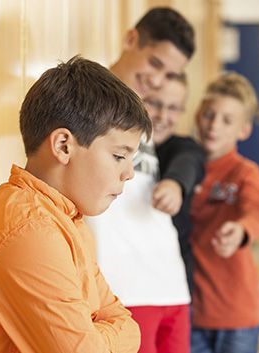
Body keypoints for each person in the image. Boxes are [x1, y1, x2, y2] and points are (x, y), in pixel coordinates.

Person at [0, 56, 153, 353]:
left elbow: (127, 323)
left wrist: (98, 336)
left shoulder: (67, 220)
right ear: (63, 146)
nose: (129, 173)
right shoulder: (30, 231)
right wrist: (100, 335)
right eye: (119, 156)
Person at [86, 7, 197, 353]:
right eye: (155, 64)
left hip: (170, 283)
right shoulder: (88, 101)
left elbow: (187, 152)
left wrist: (177, 182)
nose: (157, 80)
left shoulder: (141, 113)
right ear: (131, 39)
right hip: (122, 289)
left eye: (170, 74)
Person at [190, 72, 259, 353]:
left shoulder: (245, 172)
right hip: (191, 313)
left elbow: (257, 214)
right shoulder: (182, 167)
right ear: (198, 115)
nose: (214, 126)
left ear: (244, 129)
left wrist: (240, 231)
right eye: (209, 115)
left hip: (237, 316)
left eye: (227, 120)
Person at [145, 73, 205, 291]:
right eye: (154, 104)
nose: (162, 115)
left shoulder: (184, 147)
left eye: (173, 108)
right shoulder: (122, 148)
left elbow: (187, 162)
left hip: (172, 276)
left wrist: (174, 184)